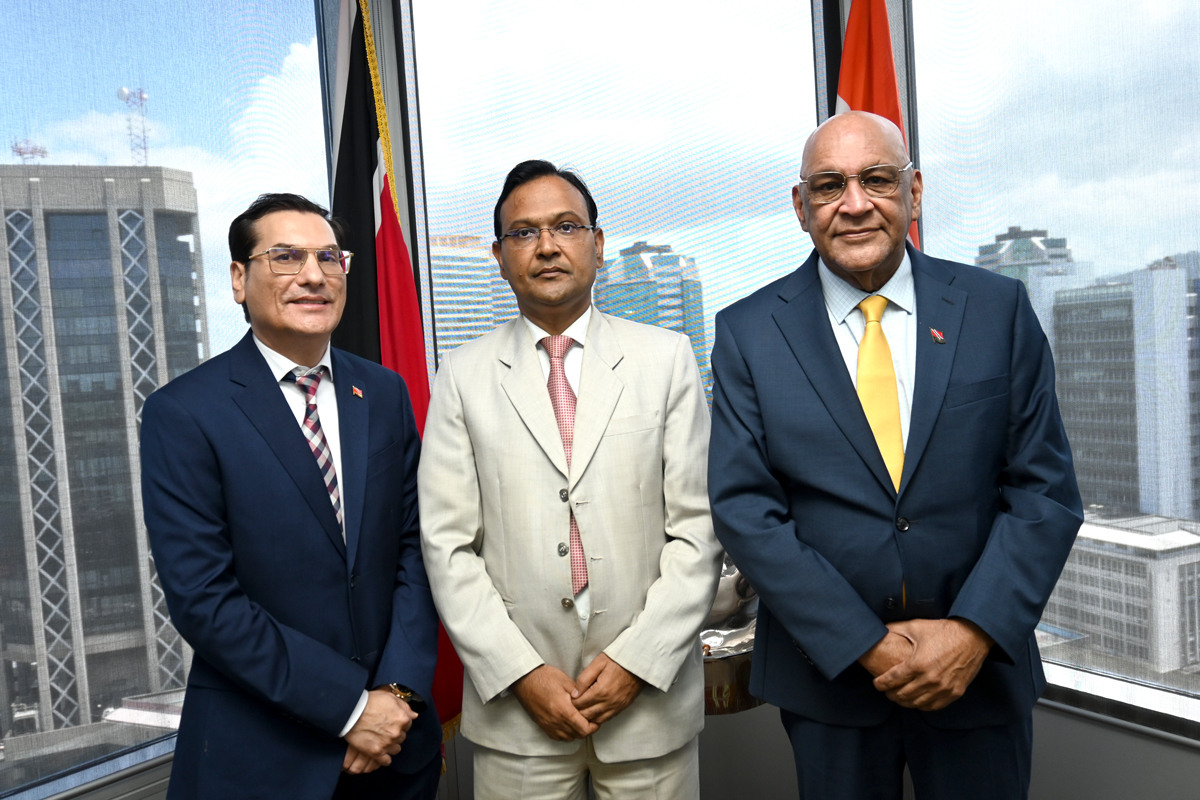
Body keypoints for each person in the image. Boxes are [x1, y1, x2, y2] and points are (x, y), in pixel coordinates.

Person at [707, 112, 1083, 800]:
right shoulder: (746, 334)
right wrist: (868, 645)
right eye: (829, 186)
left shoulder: (996, 309)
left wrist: (970, 635)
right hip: (831, 684)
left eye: (876, 180)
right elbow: (746, 512)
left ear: (914, 190)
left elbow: (1045, 491)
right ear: (801, 206)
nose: (854, 204)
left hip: (979, 675)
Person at [418, 160, 721, 799]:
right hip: (517, 717)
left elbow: (699, 533)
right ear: (500, 257)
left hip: (648, 706)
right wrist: (521, 672)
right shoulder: (460, 378)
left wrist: (638, 662)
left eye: (566, 227)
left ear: (598, 243)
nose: (548, 246)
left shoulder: (666, 360)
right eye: (524, 234)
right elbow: (447, 548)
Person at [141, 193, 442, 800]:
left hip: (396, 748)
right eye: (285, 257)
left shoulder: (383, 393)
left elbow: (415, 550)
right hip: (262, 759)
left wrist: (398, 694)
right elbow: (205, 600)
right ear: (237, 279)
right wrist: (353, 709)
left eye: (329, 257)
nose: (313, 275)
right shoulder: (184, 413)